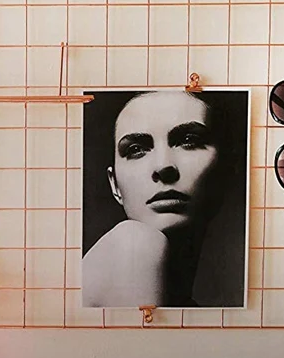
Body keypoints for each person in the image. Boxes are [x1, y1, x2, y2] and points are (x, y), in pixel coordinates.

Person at [82, 89, 246, 309]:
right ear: (115, 185)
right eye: (136, 149)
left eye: (188, 141)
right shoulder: (134, 242)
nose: (163, 166)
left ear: (227, 169)